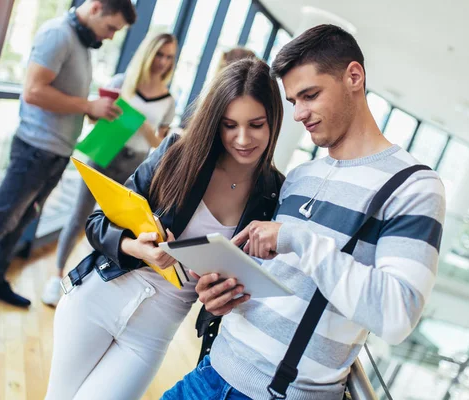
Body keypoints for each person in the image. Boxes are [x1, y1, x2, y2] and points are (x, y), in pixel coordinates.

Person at [162, 24, 446, 400]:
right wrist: (223, 295)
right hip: (212, 371)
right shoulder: (299, 176)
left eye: (310, 95)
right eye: (293, 100)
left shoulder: (414, 187)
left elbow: (395, 317)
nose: (298, 113)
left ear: (354, 77)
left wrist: (297, 239)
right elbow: (278, 280)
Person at [45, 58, 284, 400]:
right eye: (229, 125)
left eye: (256, 124)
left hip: (153, 331)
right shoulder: (178, 152)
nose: (242, 139)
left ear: (273, 120)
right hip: (98, 297)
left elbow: (256, 286)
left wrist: (223, 297)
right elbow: (97, 223)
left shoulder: (273, 194)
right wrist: (137, 248)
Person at [0, 0, 136, 336]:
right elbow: (32, 91)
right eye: (111, 27)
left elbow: (59, 93)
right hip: (34, 150)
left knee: (23, 216)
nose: (112, 36)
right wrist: (87, 104)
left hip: (54, 151)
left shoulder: (79, 40)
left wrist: (89, 110)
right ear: (97, 7)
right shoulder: (57, 34)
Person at [41, 32, 178, 307]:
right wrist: (106, 113)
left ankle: (87, 280)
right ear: (148, 53)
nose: (163, 61)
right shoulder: (121, 82)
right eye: (160, 54)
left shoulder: (168, 101)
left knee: (112, 227)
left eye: (169, 57)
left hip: (134, 165)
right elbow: (95, 118)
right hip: (105, 156)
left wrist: (140, 124)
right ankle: (55, 276)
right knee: (80, 216)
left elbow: (161, 144)